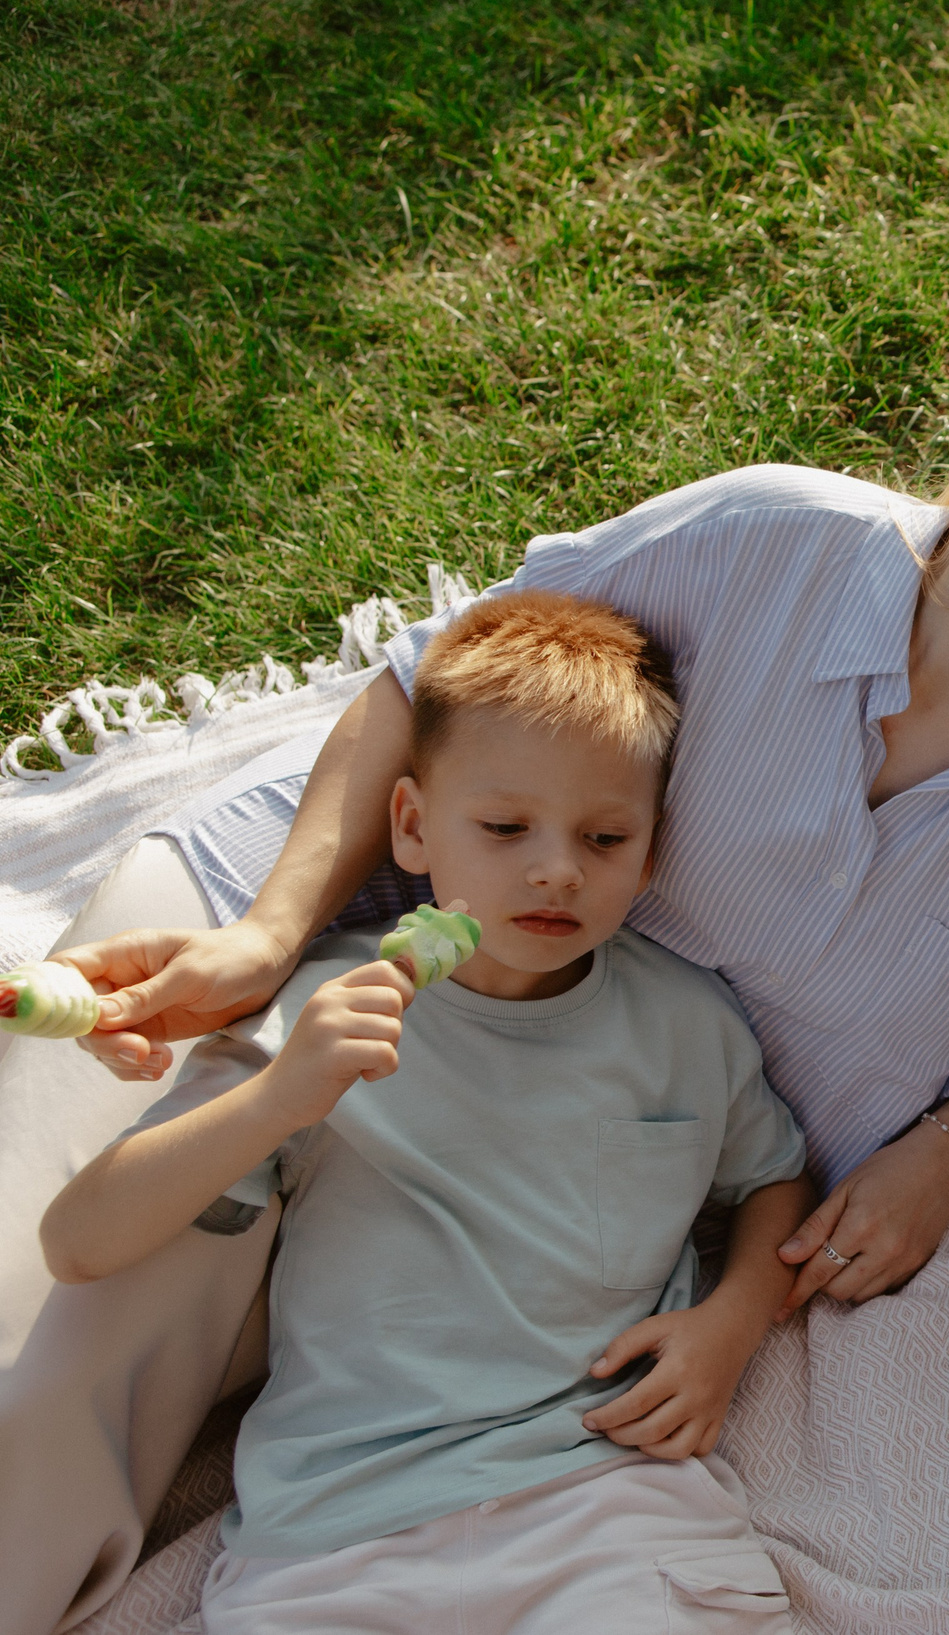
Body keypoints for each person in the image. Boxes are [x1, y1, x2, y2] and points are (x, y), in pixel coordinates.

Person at [0, 295, 949, 1633]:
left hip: (560, 1204)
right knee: (41, 1386)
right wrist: (269, 935)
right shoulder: (769, 539)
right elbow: (427, 682)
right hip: (337, 954)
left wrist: (948, 1153)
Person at [41, 590, 814, 1632]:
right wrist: (278, 1097)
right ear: (411, 825)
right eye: (504, 828)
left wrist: (731, 1323)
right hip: (330, 1531)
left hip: (603, 1500)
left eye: (604, 837)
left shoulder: (688, 1022)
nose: (556, 868)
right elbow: (79, 1241)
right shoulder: (321, 1010)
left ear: (650, 853)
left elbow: (773, 1177)